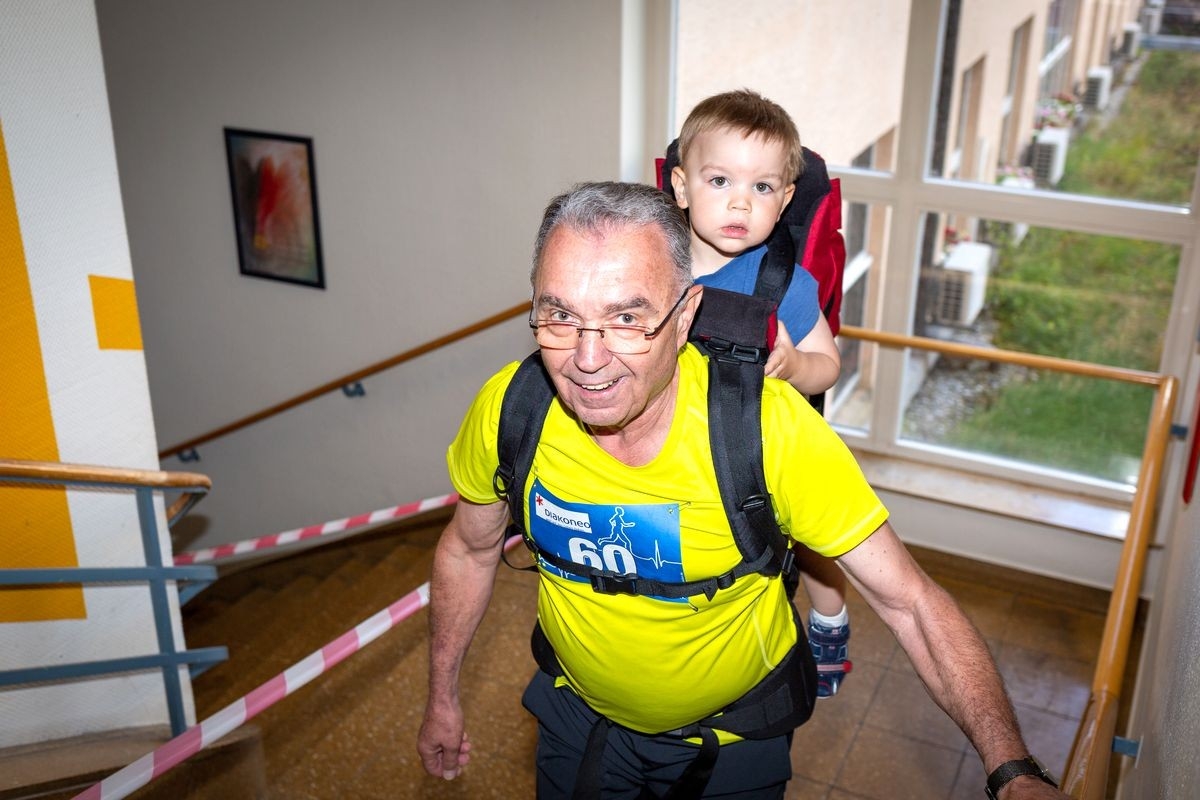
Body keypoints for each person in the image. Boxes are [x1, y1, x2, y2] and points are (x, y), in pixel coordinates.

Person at [417, 182, 1064, 800]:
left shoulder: (767, 428)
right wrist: (442, 696)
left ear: (685, 313)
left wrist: (1012, 770)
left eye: (626, 318)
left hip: (731, 743)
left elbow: (912, 605)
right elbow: (467, 552)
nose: (587, 360)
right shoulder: (513, 408)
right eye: (560, 315)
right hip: (578, 725)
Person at [669, 89, 849, 696]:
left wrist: (796, 364)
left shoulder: (786, 282)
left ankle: (829, 619)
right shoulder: (650, 265)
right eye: (719, 180)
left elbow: (829, 364)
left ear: (786, 199)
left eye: (763, 188)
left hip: (763, 441)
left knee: (814, 532)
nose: (740, 201)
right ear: (680, 186)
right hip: (682, 444)